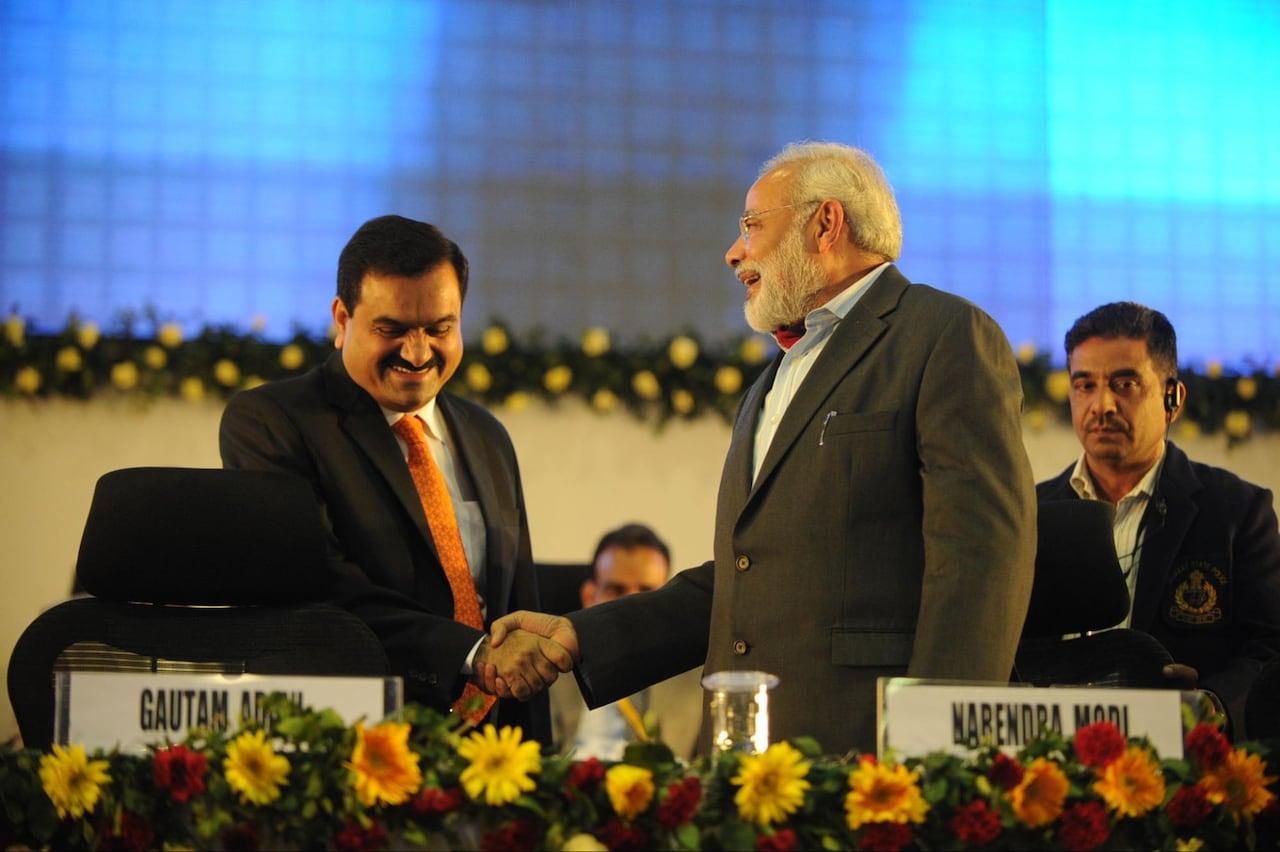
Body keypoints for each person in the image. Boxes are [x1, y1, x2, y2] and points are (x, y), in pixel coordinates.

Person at [485, 141, 1037, 755]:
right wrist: (577, 635)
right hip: (741, 760)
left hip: (867, 753)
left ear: (825, 224)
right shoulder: (770, 383)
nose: (733, 252)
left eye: (751, 225)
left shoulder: (942, 336)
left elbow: (981, 558)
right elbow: (749, 580)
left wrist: (940, 749)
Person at [220, 215, 570, 741]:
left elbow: (517, 604)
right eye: (392, 329)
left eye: (439, 328)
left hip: (489, 758)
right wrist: (472, 654)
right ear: (342, 318)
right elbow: (315, 585)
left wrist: (535, 760)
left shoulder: (487, 435)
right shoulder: (272, 422)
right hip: (347, 747)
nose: (418, 352)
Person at [1037, 301, 1280, 737]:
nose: (1101, 405)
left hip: (1187, 766)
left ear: (1174, 398)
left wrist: (1211, 704)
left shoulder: (1237, 512)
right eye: (1084, 385)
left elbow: (1271, 649)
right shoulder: (1031, 513)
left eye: (1124, 383)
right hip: (1049, 756)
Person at [548, 523, 704, 760]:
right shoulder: (550, 670)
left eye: (646, 592)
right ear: (589, 597)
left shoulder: (701, 679)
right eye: (616, 590)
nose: (631, 606)